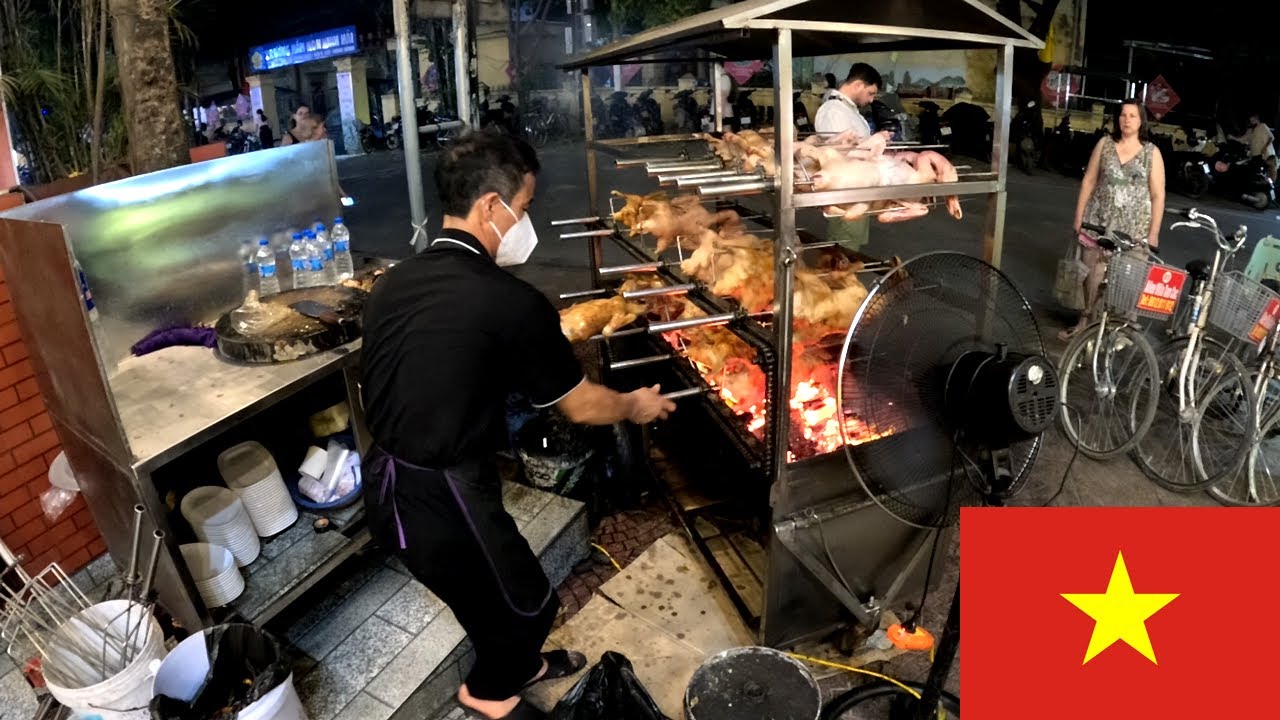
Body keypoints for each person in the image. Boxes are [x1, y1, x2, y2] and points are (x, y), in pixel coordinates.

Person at [360, 130, 675, 720]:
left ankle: (520, 665)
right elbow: (579, 405)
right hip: (434, 490)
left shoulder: (395, 283)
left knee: (490, 596)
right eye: (523, 208)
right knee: (528, 605)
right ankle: (489, 692)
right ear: (489, 206)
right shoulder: (508, 301)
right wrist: (636, 406)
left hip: (397, 476)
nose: (525, 222)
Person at [1062, 98, 1166, 340]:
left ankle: (1119, 329)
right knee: (1092, 276)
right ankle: (1086, 323)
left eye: (1132, 115)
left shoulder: (1152, 153)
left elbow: (1158, 195)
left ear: (1141, 121)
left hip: (1134, 229)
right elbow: (1089, 180)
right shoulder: (1105, 144)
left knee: (1127, 281)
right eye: (1122, 115)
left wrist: (1153, 233)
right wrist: (1078, 217)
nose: (1126, 120)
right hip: (1098, 222)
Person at [813, 63, 891, 252]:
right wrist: (874, 141)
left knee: (851, 245)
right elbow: (840, 154)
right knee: (843, 248)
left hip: (858, 188)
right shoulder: (834, 110)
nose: (871, 100)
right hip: (845, 192)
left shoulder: (846, 109)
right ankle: (837, 281)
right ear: (858, 85)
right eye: (870, 93)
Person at [1231, 113, 1277, 183]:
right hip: (1255, 155)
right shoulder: (1251, 131)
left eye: (1253, 120)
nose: (1251, 122)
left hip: (1265, 155)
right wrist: (1233, 138)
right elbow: (1243, 139)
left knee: (1270, 173)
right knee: (1255, 173)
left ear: (1257, 120)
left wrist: (1265, 147)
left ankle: (1270, 189)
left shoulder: (1263, 126)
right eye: (1250, 121)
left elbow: (1272, 137)